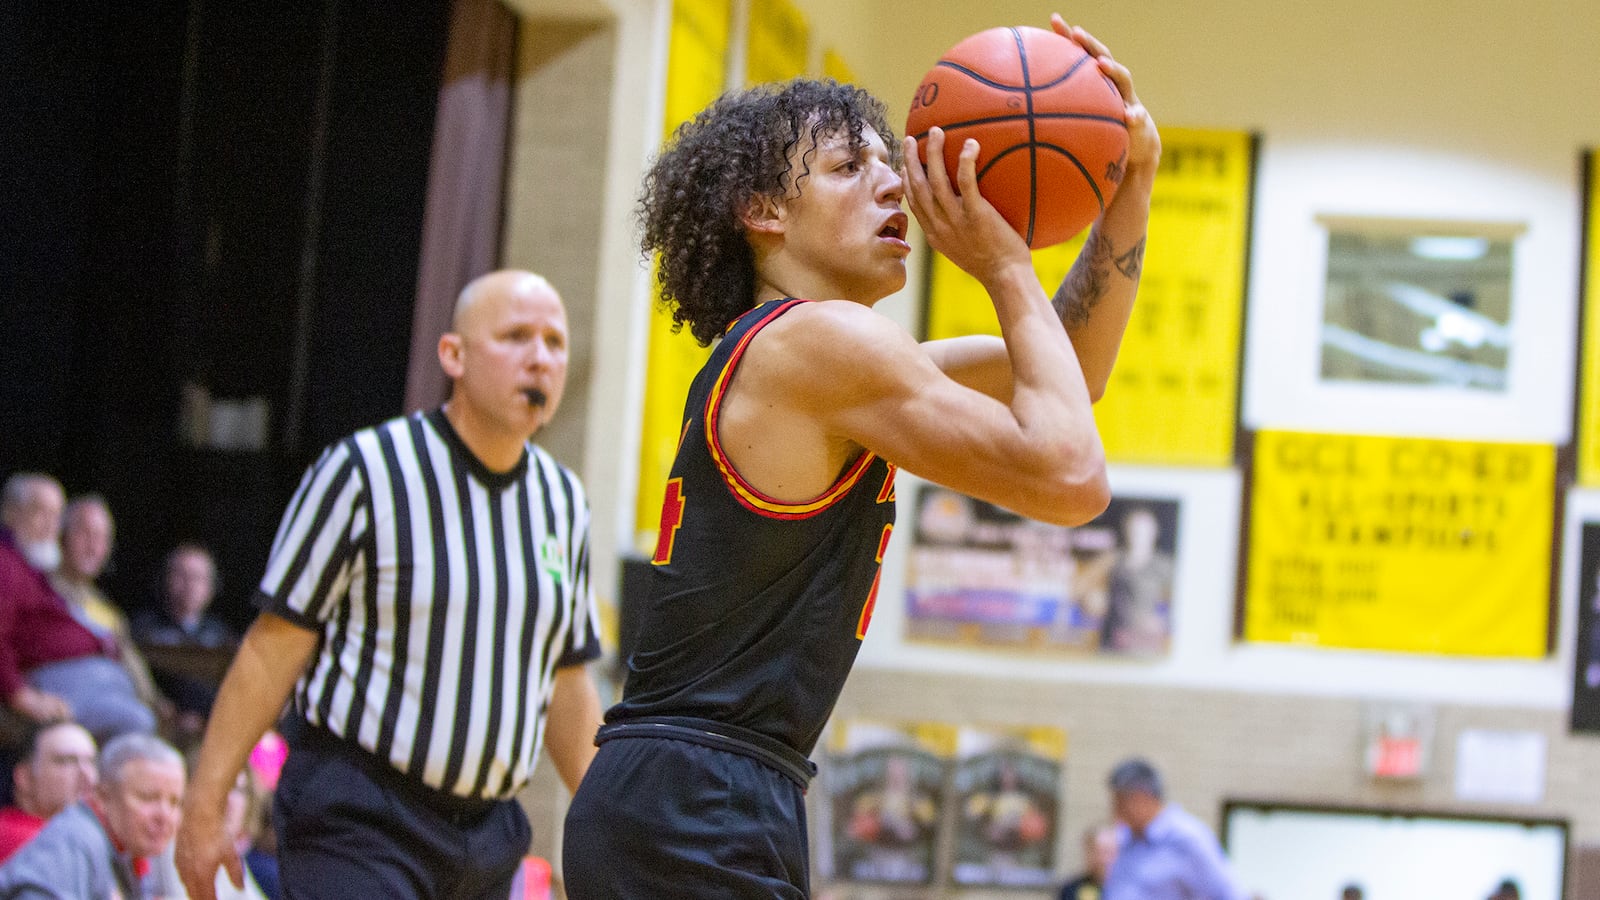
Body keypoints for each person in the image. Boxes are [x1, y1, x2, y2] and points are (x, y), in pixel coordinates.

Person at [562, 14, 1158, 896]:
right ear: (762, 212)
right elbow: (1071, 477)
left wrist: (1131, 184)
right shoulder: (820, 346)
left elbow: (1074, 372)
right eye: (851, 169)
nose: (894, 188)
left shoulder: (824, 363)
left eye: (891, 165)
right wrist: (1002, 264)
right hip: (697, 792)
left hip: (709, 786)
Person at [175, 270, 605, 900]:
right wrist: (205, 804)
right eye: (516, 337)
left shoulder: (564, 502)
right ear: (453, 355)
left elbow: (565, 679)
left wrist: (613, 828)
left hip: (488, 836)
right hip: (361, 817)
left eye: (554, 342)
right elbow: (272, 648)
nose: (540, 358)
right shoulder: (364, 471)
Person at [0, 473, 156, 743]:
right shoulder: (6, 563)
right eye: (41, 513)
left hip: (90, 682)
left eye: (56, 515)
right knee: (137, 722)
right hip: (44, 686)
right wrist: (20, 695)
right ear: (11, 514)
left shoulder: (28, 566)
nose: (51, 526)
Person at [0, 732, 185, 899]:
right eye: (148, 798)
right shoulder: (75, 840)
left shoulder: (127, 846)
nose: (164, 816)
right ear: (103, 797)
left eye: (175, 802)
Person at [50, 495, 173, 729]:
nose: (93, 547)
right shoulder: (41, 591)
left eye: (102, 538)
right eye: (85, 533)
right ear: (62, 535)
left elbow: (131, 662)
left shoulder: (106, 609)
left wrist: (156, 702)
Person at [1102, 758, 1246, 900]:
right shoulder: (1126, 837)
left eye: (1120, 802)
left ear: (1141, 798)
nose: (1115, 811)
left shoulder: (1187, 838)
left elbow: (1229, 893)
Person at [132, 542, 237, 734]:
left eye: (197, 578)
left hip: (212, 729)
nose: (190, 585)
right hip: (159, 725)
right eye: (182, 575)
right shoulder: (144, 629)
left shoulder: (222, 636)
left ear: (211, 586)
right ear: (166, 579)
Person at [0, 720, 97, 863]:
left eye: (91, 762)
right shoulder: (11, 836)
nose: (87, 774)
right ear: (24, 777)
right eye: (66, 761)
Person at [1059, 823, 1120, 900]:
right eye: (1097, 852)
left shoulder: (1131, 888)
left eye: (1108, 852)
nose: (1103, 859)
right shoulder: (1071, 889)